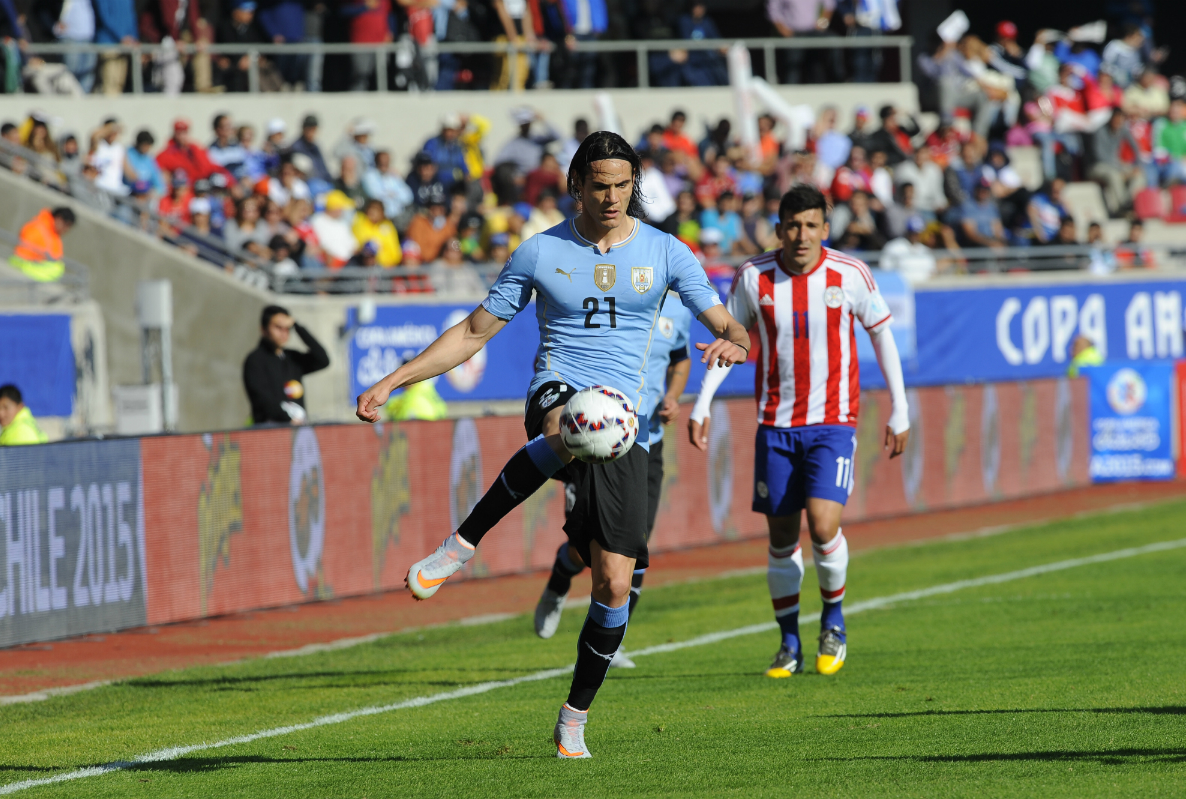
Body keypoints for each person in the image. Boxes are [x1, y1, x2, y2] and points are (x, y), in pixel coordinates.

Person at [354, 130, 750, 759]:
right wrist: (394, 378)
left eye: (624, 184)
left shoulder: (668, 252)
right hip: (559, 392)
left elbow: (727, 322)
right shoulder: (540, 252)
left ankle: (573, 717)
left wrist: (736, 341)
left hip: (627, 427)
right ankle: (459, 546)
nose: (614, 196)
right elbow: (473, 332)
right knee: (569, 422)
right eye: (600, 185)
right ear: (576, 186)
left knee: (616, 584)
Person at [688, 183, 910, 679]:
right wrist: (702, 402)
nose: (802, 235)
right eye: (793, 225)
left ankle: (833, 620)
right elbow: (732, 342)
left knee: (823, 525)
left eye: (812, 225)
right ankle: (789, 642)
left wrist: (901, 408)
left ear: (825, 230)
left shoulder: (850, 273)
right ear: (779, 229)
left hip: (833, 422)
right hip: (775, 424)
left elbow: (882, 336)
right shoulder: (753, 278)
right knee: (782, 538)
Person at [531, 292, 695, 667]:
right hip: (596, 444)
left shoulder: (678, 312)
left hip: (644, 443)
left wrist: (672, 395)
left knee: (631, 550)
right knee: (585, 550)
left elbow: (680, 360)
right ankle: (561, 575)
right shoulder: (617, 295)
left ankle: (612, 642)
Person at [243, 305, 329, 425]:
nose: (284, 332)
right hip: (270, 431)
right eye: (278, 327)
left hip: (298, 433)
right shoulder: (255, 360)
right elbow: (261, 399)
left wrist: (296, 326)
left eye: (287, 328)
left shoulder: (292, 358)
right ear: (264, 329)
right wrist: (287, 420)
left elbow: (323, 360)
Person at [10, 207, 75, 282]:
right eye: (66, 225)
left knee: (58, 267)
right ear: (58, 218)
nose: (66, 229)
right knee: (57, 268)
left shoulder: (55, 236)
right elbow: (22, 254)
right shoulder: (37, 228)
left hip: (34, 268)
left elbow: (56, 258)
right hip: (22, 265)